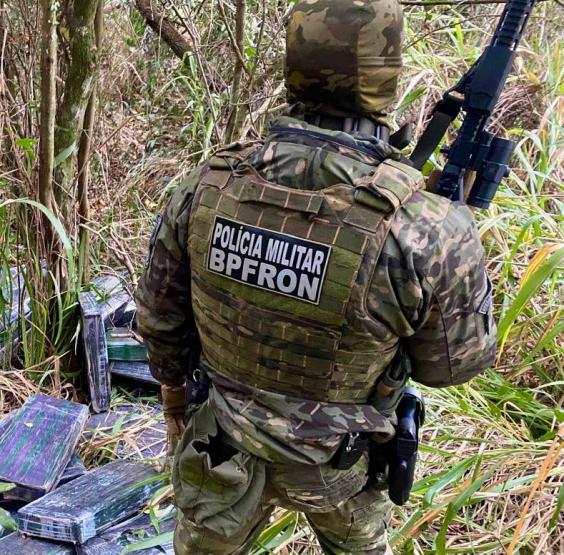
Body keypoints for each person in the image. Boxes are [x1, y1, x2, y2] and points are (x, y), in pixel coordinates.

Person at [133, 0, 498, 553]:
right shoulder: (424, 228)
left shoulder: (207, 185)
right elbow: (454, 365)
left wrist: (177, 410)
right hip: (340, 465)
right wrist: (458, 242)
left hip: (219, 446)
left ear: (294, 65)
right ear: (388, 77)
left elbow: (159, 322)